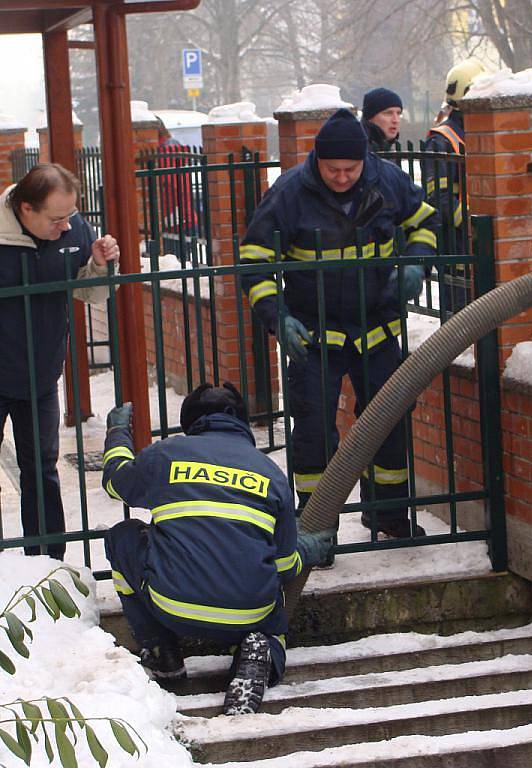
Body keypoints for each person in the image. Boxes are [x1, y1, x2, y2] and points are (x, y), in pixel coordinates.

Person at [240, 108, 439, 538]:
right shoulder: (289, 192)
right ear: (318, 160)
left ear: (365, 159)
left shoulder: (387, 179)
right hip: (313, 335)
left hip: (379, 326)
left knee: (389, 420)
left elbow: (425, 221)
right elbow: (254, 262)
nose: (344, 177)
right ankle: (315, 527)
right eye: (334, 169)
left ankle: (387, 513)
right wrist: (279, 318)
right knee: (313, 428)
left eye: (351, 168)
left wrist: (417, 264)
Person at [102, 383, 334, 715]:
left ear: (190, 422)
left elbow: (114, 480)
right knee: (273, 614)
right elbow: (284, 568)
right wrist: (306, 551)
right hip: (249, 613)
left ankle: (160, 649)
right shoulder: (270, 473)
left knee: (122, 536)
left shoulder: (165, 455)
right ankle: (263, 653)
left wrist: (117, 433)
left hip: (172, 604)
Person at [0, 163, 120, 559]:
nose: (66, 227)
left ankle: (49, 563)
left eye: (70, 216)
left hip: (41, 371)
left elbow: (89, 292)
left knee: (42, 471)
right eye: (56, 219)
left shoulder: (73, 228)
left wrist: (101, 266)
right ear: (25, 209)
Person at [423, 59, 485, 311]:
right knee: (460, 316)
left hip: (479, 236)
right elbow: (439, 196)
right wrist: (468, 224)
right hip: (457, 239)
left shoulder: (479, 130)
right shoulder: (442, 139)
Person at [361, 87, 403, 153]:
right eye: (388, 113)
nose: (396, 120)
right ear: (370, 117)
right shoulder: (360, 152)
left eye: (398, 113)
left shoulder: (390, 151)